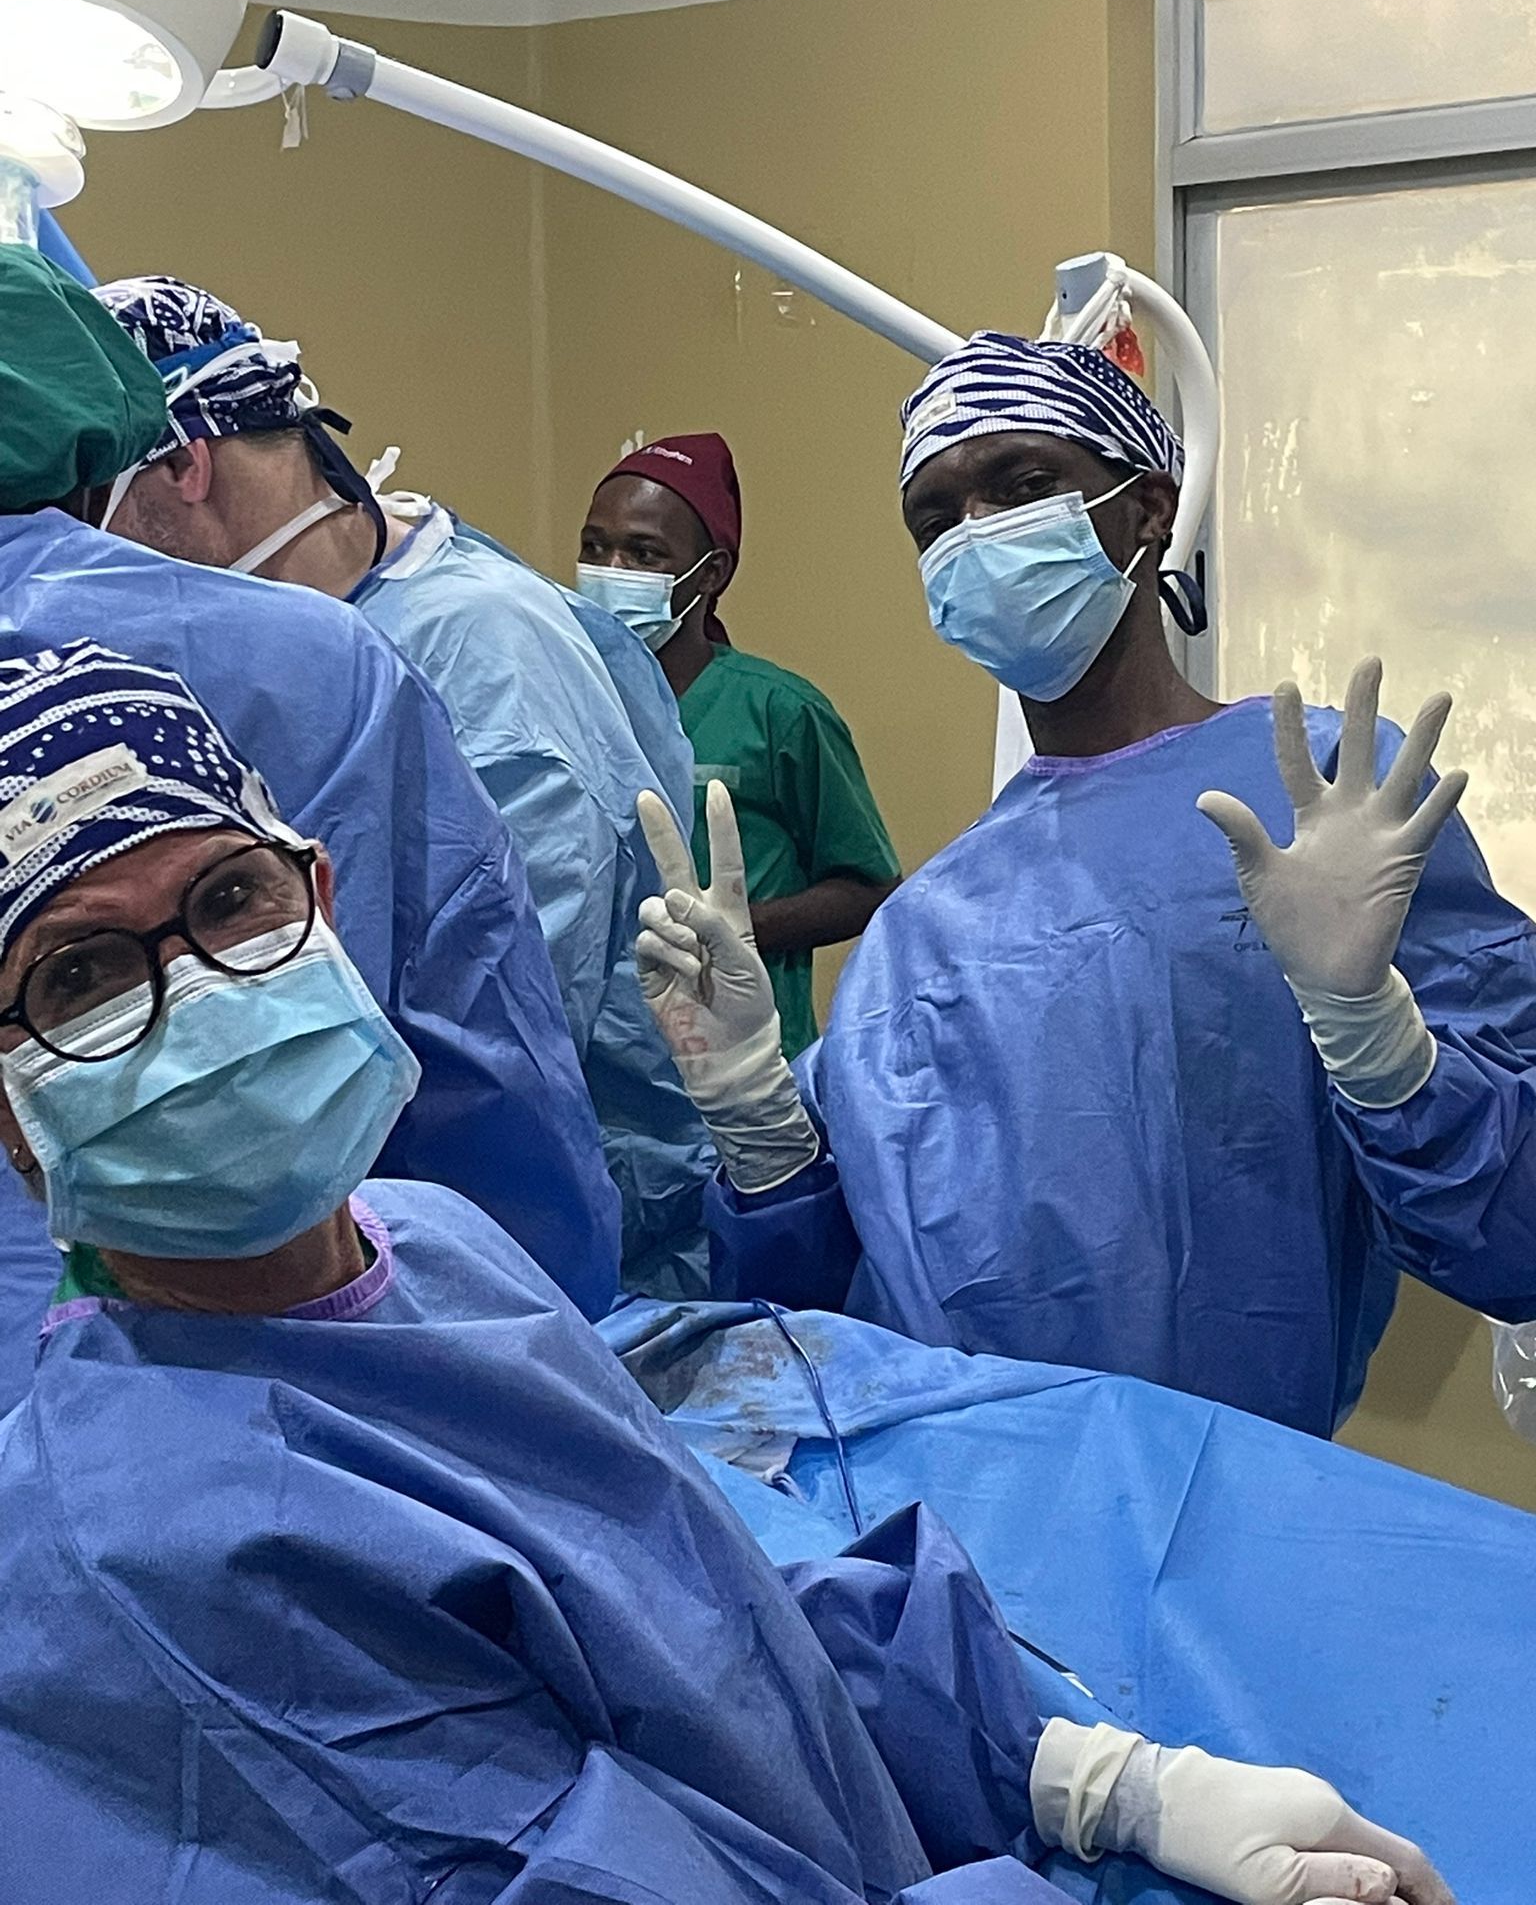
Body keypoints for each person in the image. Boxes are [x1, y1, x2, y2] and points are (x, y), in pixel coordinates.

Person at [0, 642, 1454, 1905]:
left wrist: (1083, 1773)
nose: (196, 984)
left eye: (231, 896)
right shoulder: (150, 1547)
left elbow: (707, 1593)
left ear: (319, 891)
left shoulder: (431, 1246)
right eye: (78, 974)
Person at [632, 332, 1536, 1438]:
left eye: (1022, 486)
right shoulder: (925, 927)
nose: (977, 535)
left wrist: (1373, 1033)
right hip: (960, 1505)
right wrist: (759, 1119)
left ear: (1149, 508)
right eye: (935, 518)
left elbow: (1516, 1244)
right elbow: (812, 1327)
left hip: (1228, 1484)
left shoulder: (1327, 803)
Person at [0, 248, 617, 1426]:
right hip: (319, 1356)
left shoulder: (439, 636)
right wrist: (538, 1333)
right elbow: (480, 1049)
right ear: (100, 457)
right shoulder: (314, 664)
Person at [92, 277, 710, 1295]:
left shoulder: (485, 656)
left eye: (91, 516)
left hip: (529, 1251)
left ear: (185, 464)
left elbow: (518, 1020)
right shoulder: (277, 649)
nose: (96, 562)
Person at [579, 433, 900, 1059]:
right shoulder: (569, 701)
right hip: (604, 1066)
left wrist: (734, 931)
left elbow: (869, 888)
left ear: (712, 572)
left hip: (745, 1058)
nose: (611, 571)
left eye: (643, 553)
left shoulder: (778, 711)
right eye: (594, 547)